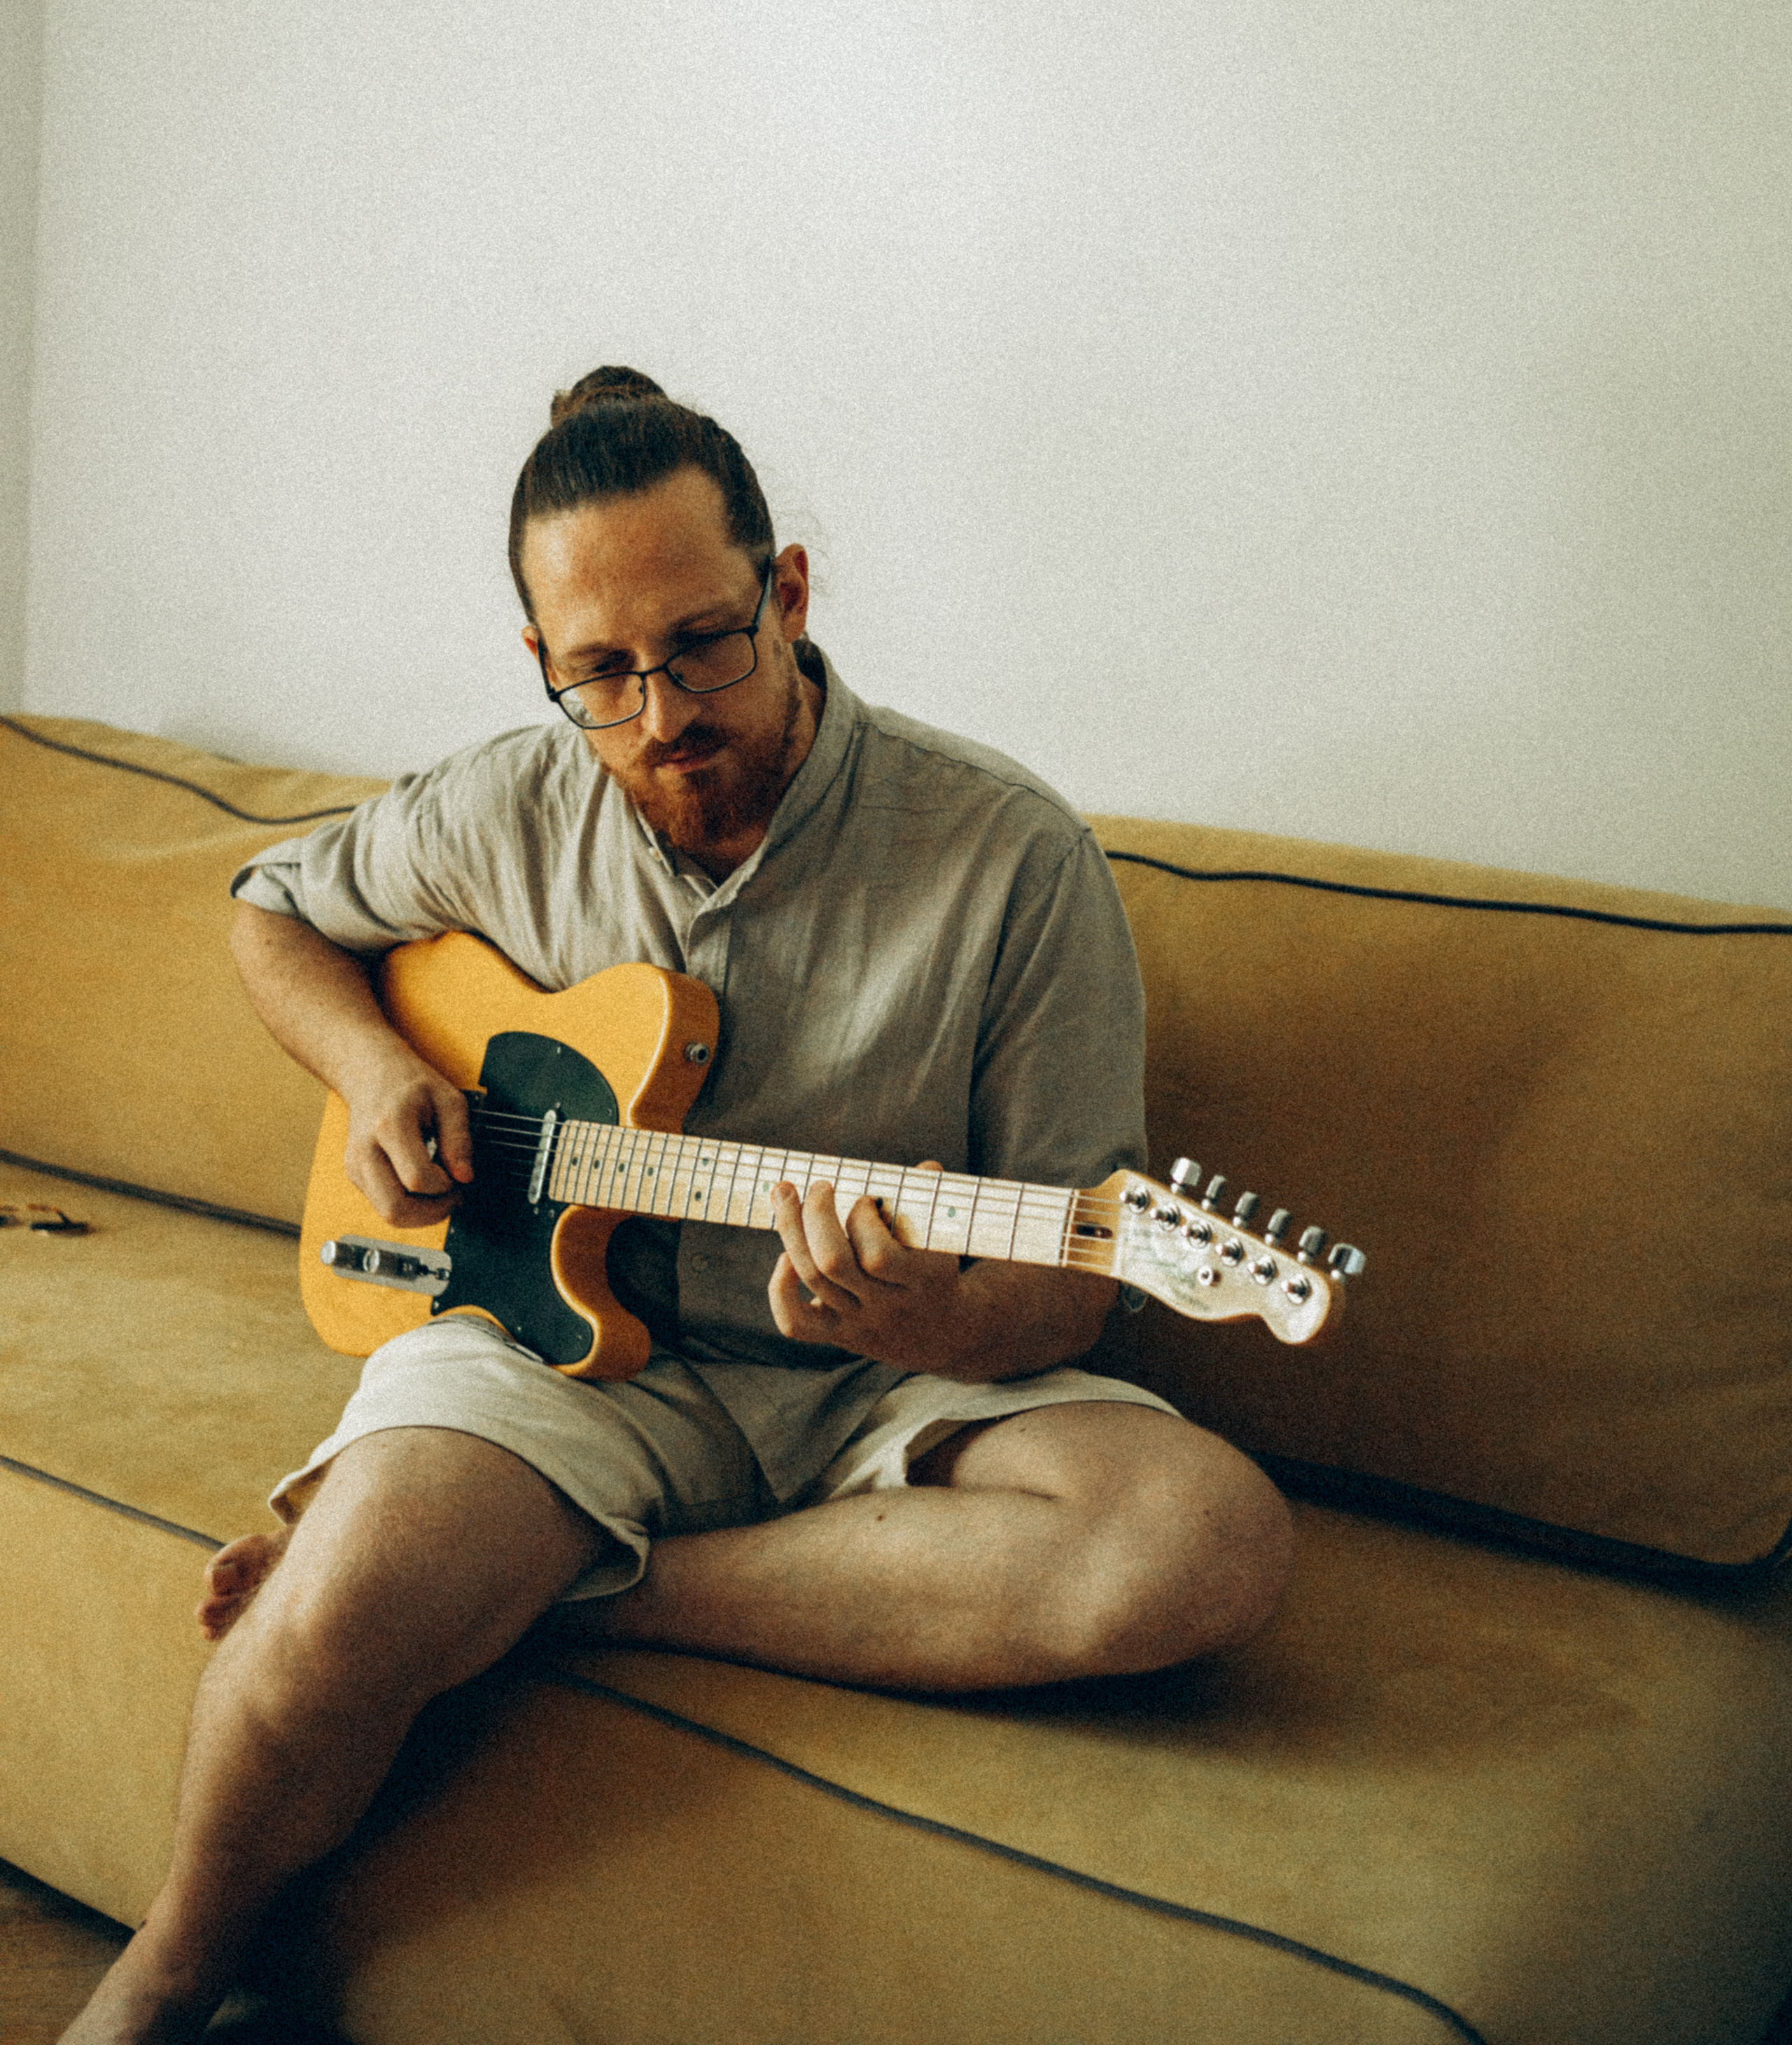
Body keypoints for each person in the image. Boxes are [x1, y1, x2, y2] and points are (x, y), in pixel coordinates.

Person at [64, 368, 1292, 2045]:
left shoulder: (1010, 857)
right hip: (562, 1354)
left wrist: (928, 1310)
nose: (661, 715)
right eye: (601, 673)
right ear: (542, 665)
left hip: (888, 1377)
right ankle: (167, 1972)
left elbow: (1069, 1288)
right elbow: (274, 914)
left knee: (1198, 1543)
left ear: (786, 594)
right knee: (341, 1606)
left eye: (705, 645)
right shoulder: (505, 799)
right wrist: (368, 1073)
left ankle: (564, 1589)